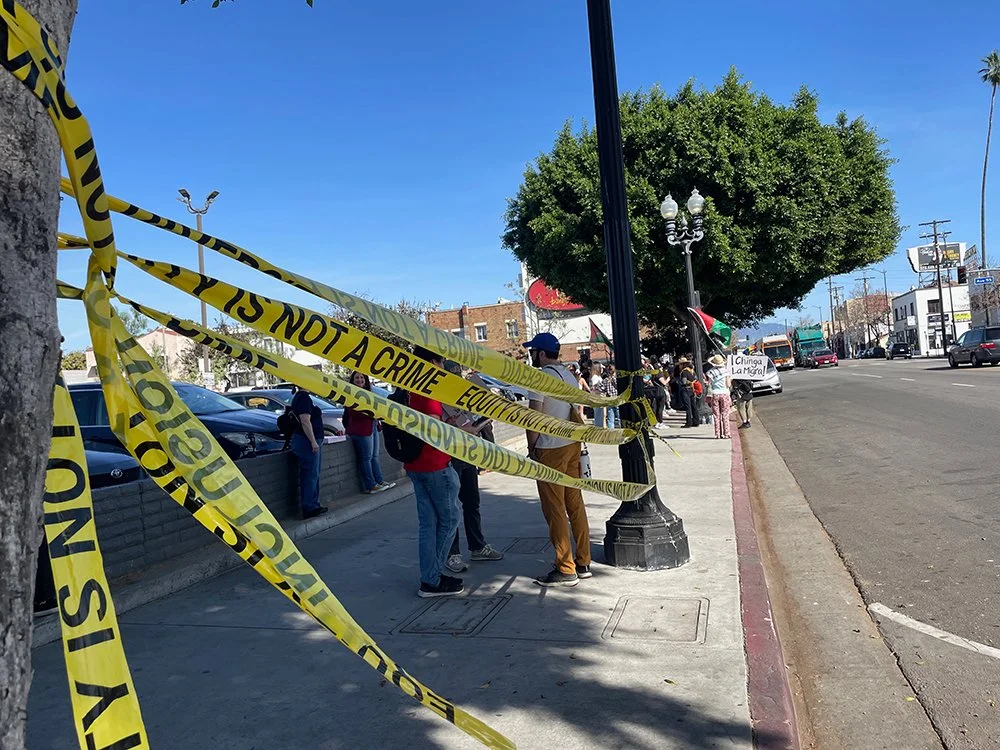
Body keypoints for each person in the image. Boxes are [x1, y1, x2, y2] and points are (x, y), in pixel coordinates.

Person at [523, 332, 591, 587]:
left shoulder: (540, 378)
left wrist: (532, 446)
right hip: (571, 444)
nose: (531, 356)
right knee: (575, 504)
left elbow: (534, 417)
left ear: (540, 353)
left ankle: (565, 567)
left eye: (532, 352)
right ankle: (584, 560)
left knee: (555, 510)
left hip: (549, 448)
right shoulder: (570, 377)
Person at [405, 347, 464, 598]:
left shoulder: (409, 387)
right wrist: (462, 431)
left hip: (416, 464)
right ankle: (433, 577)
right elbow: (432, 427)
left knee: (428, 524)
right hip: (435, 464)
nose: (442, 367)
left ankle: (429, 578)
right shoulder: (427, 389)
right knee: (450, 519)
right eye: (440, 362)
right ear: (433, 362)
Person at [441, 361, 505, 573]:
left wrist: (481, 421)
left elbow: (475, 419)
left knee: (472, 502)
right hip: (449, 456)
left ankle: (477, 546)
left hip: (466, 453)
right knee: (451, 507)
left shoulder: (464, 396)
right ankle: (452, 554)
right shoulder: (438, 398)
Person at [343, 371, 396, 494]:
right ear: (352, 380)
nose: (360, 380)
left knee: (374, 456)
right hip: (361, 430)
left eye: (362, 377)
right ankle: (370, 485)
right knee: (366, 458)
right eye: (357, 378)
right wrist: (372, 412)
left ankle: (379, 481)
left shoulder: (369, 393)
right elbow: (353, 412)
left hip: (372, 426)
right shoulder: (350, 393)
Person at [291, 387, 328, 519]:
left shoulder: (301, 397)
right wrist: (313, 441)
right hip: (306, 441)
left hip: (306, 440)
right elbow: (305, 421)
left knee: (313, 473)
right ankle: (309, 506)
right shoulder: (303, 398)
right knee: (310, 474)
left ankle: (314, 504)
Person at [704, 353, 733, 439]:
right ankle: (726, 433)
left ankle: (718, 434)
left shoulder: (710, 372)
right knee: (725, 414)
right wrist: (731, 380)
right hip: (724, 394)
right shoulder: (726, 372)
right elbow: (728, 385)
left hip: (715, 394)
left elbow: (709, 383)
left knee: (716, 415)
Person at [677, 358, 699, 428]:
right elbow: (696, 378)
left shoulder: (684, 372)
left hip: (686, 389)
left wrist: (678, 382)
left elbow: (684, 381)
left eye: (680, 364)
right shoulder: (691, 370)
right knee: (694, 406)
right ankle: (696, 421)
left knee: (688, 407)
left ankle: (688, 422)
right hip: (692, 390)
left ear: (682, 364)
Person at [599, 363, 619, 429]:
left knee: (610, 419)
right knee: (619, 417)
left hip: (609, 399)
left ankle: (611, 432)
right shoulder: (617, 379)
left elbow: (600, 388)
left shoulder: (606, 380)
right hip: (617, 399)